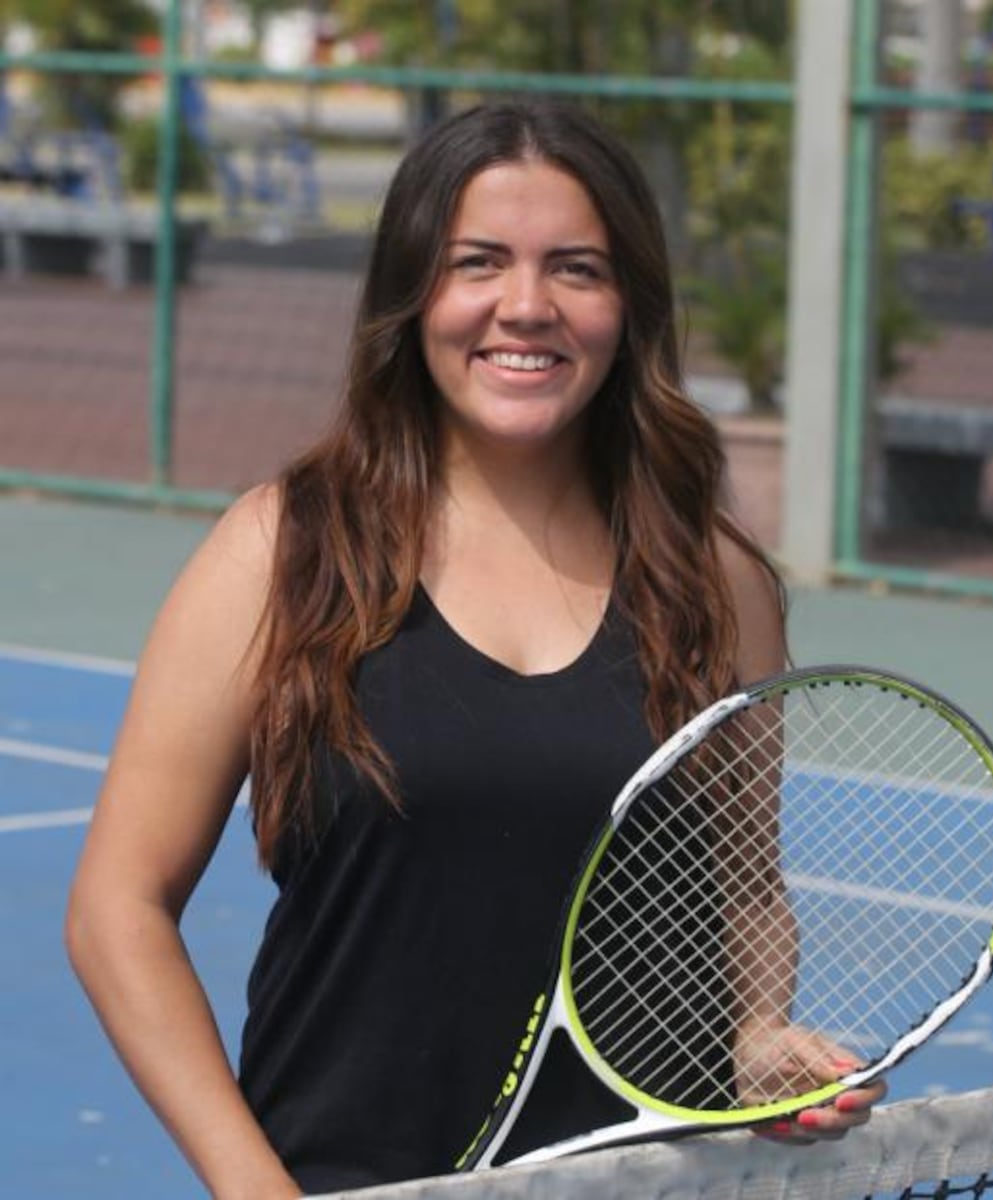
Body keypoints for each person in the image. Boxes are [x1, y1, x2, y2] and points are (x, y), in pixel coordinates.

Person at [65, 102, 886, 1198]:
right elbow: (117, 907)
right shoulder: (284, 552)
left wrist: (758, 1037)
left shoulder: (713, 581)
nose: (527, 305)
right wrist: (256, 1188)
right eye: (479, 262)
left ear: (629, 306)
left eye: (577, 269)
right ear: (413, 294)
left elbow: (741, 889)